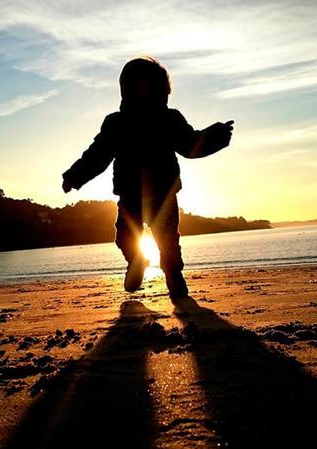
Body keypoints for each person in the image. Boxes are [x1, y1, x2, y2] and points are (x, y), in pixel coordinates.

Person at [61, 56, 233, 297]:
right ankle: (137, 261)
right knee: (125, 238)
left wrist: (215, 136)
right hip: (131, 198)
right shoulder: (116, 123)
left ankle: (173, 274)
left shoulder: (169, 119)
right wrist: (74, 176)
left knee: (168, 242)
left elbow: (190, 144)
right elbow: (97, 156)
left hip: (163, 196)